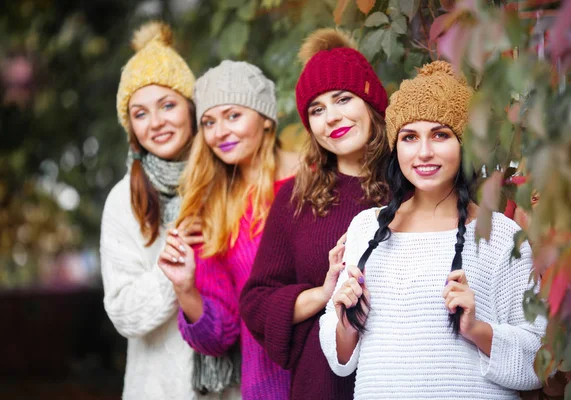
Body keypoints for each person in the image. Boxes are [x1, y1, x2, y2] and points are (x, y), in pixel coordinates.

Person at [319, 60, 546, 399]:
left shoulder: (500, 235)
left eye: (440, 135)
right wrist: (347, 324)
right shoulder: (366, 229)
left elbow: (539, 361)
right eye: (410, 137)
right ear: (397, 148)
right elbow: (340, 361)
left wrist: (476, 329)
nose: (424, 152)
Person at [239, 28, 390, 400]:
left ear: (371, 101)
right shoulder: (297, 197)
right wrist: (323, 293)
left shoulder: (412, 184)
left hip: (403, 376)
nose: (331, 118)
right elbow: (256, 300)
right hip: (323, 384)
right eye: (317, 109)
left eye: (342, 99)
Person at [158, 60, 298, 399]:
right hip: (268, 387)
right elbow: (219, 337)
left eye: (233, 115)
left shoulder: (317, 179)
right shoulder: (212, 212)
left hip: (339, 373)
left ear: (266, 119)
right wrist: (186, 290)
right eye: (208, 122)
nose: (219, 132)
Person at [100, 21, 213, 399]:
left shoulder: (229, 183)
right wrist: (172, 272)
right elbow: (123, 312)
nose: (158, 122)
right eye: (141, 113)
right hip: (159, 388)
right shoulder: (123, 200)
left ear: (191, 108)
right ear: (131, 126)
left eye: (168, 104)